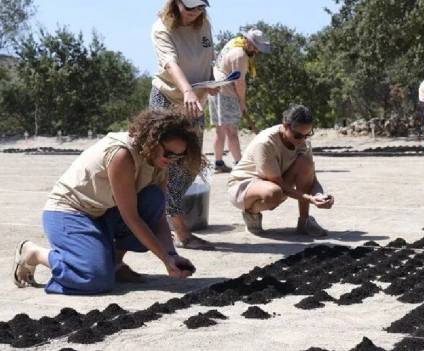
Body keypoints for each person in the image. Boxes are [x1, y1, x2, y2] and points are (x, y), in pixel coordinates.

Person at [12, 109, 202, 294]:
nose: (172, 160)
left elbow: (158, 215)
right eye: (169, 154)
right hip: (69, 212)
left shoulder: (160, 162)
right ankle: (35, 254)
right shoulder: (122, 155)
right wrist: (165, 260)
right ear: (153, 141)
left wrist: (171, 255)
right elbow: (132, 218)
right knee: (94, 279)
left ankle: (115, 264)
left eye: (179, 157)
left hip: (103, 212)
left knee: (153, 199)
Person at [150, 0, 217, 250]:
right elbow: (170, 63)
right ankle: (181, 233)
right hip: (169, 99)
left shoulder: (205, 25)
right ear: (176, 3)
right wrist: (187, 90)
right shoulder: (161, 28)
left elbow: (208, 59)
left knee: (192, 163)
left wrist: (213, 81)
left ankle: (170, 218)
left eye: (199, 8)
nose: (194, 13)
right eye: (189, 8)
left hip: (195, 102)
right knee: (168, 166)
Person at [227, 105, 334, 237]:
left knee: (306, 164)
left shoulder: (302, 142)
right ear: (285, 126)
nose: (303, 140)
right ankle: (251, 212)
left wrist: (319, 196)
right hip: (243, 187)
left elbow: (312, 179)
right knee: (274, 193)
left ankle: (304, 221)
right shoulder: (266, 143)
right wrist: (310, 199)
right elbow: (279, 185)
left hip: (275, 183)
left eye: (307, 135)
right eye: (298, 136)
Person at [209, 29, 271, 173]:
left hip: (215, 87)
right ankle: (240, 165)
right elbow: (240, 83)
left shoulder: (234, 42)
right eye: (255, 46)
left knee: (221, 129)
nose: (256, 50)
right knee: (231, 130)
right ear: (248, 41)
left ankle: (218, 163)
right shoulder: (240, 55)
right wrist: (242, 103)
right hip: (225, 91)